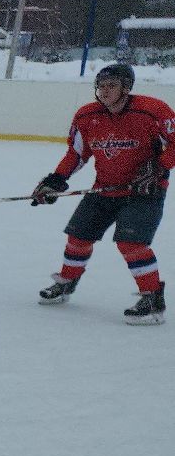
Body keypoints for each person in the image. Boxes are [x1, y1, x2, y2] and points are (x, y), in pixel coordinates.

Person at [30, 63, 174, 324]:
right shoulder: (87, 116)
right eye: (101, 86)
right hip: (104, 188)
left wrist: (160, 166)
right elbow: (77, 153)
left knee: (131, 243)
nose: (105, 91)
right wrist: (57, 179)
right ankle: (66, 283)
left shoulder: (152, 111)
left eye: (112, 86)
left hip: (144, 191)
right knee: (78, 236)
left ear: (126, 88)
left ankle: (153, 299)